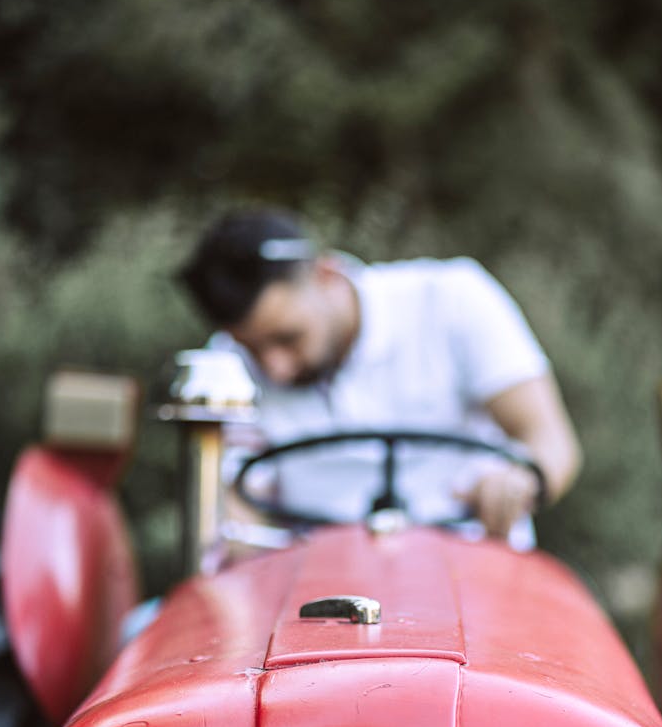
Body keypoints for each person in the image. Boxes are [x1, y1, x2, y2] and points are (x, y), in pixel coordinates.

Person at [178, 208, 581, 546]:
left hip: (472, 571)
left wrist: (522, 478)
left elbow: (551, 441)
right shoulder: (225, 369)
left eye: (288, 338)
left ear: (326, 276)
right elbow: (235, 507)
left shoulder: (453, 299)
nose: (274, 368)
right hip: (310, 591)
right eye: (252, 349)